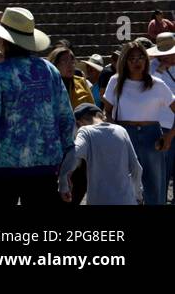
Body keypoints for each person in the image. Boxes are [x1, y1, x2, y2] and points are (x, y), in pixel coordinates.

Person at [0, 7, 76, 206]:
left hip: (2, 170)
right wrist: (66, 167)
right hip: (45, 168)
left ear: (4, 40)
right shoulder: (49, 70)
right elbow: (66, 119)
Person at [102, 39, 175, 205]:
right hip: (124, 134)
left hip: (152, 137)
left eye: (140, 57)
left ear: (146, 60)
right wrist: (113, 129)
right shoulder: (116, 81)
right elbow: (107, 110)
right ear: (125, 61)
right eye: (132, 58)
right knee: (123, 186)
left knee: (154, 187)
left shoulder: (157, 84)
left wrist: (170, 136)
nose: (137, 62)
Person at [59, 103, 143, 204]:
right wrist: (138, 195)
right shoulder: (121, 130)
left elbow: (73, 154)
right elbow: (136, 168)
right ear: (100, 115)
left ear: (78, 123)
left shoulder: (85, 132)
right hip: (126, 200)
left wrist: (64, 180)